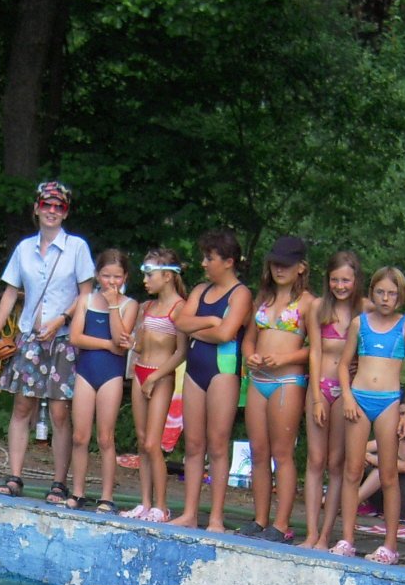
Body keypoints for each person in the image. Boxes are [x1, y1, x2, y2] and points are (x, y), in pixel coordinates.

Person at [0, 181, 95, 503]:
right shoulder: (24, 249)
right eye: (47, 205)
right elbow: (10, 292)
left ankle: (59, 482)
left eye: (59, 206)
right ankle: (14, 476)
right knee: (22, 406)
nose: (52, 211)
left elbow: (86, 293)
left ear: (66, 212)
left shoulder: (77, 247)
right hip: (30, 338)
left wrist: (61, 319)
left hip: (62, 339)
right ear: (36, 208)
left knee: (60, 412)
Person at [333, 266, 405, 562]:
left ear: (400, 296)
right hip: (359, 398)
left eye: (391, 293)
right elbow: (344, 364)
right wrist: (347, 396)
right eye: (380, 292)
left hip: (389, 402)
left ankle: (390, 545)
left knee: (388, 473)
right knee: (352, 470)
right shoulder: (360, 323)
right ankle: (347, 538)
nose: (385, 298)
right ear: (372, 293)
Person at [172, 229, 251, 530]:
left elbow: (226, 333)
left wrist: (200, 329)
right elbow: (180, 321)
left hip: (223, 371)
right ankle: (190, 513)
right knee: (193, 444)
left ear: (228, 262)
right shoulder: (200, 290)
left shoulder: (241, 294)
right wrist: (209, 321)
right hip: (195, 370)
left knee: (217, 445)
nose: (203, 263)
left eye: (209, 258)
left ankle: (216, 517)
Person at [237, 236, 314, 542]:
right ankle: (260, 518)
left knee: (282, 452)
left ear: (300, 267)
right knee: (258, 451)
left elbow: (316, 348)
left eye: (286, 264)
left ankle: (281, 523)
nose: (279, 269)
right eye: (275, 264)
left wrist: (285, 358)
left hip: (287, 381)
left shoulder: (308, 303)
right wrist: (250, 355)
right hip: (259, 380)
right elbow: (249, 338)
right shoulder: (263, 299)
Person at [300, 250, 363, 550]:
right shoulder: (318, 307)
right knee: (315, 459)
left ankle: (326, 534)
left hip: (347, 391)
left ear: (356, 280)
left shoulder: (364, 310)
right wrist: (315, 397)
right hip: (321, 386)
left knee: (336, 462)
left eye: (346, 280)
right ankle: (311, 532)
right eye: (335, 280)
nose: (340, 286)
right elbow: (314, 352)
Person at [66, 249, 136, 511]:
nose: (111, 282)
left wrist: (114, 305)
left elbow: (121, 342)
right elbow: (76, 338)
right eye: (106, 276)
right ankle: (77, 492)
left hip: (111, 374)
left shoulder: (129, 305)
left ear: (125, 277)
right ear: (97, 275)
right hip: (86, 371)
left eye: (117, 277)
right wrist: (107, 344)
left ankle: (107, 496)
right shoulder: (85, 300)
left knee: (106, 437)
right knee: (80, 436)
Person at [124, 249, 187, 522]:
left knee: (153, 443)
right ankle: (145, 503)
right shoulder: (146, 307)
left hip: (160, 376)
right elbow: (140, 345)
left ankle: (161, 506)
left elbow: (181, 352)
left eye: (150, 275)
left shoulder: (179, 308)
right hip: (140, 371)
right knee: (142, 442)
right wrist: (131, 343)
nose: (145, 280)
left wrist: (155, 376)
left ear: (168, 276)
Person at [348, 417, 405, 517]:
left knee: (385, 466)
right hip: (388, 498)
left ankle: (351, 503)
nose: (403, 418)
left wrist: (369, 457)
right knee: (356, 459)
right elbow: (357, 449)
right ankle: (345, 500)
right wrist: (363, 456)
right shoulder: (393, 437)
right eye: (400, 414)